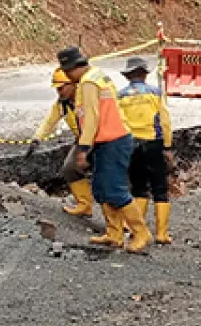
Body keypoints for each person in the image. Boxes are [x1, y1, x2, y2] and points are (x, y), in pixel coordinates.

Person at [57, 46, 152, 253]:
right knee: (101, 187)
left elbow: (91, 118)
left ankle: (140, 232)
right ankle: (114, 233)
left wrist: (83, 148)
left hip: (113, 140)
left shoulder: (89, 83)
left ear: (70, 69)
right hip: (108, 140)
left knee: (115, 189)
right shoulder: (98, 75)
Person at [118, 56, 174, 244]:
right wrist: (167, 145)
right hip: (153, 143)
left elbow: (119, 123)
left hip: (131, 144)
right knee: (160, 188)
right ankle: (161, 233)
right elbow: (164, 120)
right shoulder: (155, 93)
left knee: (139, 187)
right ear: (144, 74)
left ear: (128, 76)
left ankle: (137, 229)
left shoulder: (121, 95)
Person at [32, 69, 91, 217]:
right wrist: (36, 138)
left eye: (61, 88)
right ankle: (85, 205)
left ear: (72, 84)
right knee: (70, 168)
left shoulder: (86, 98)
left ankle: (123, 221)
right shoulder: (61, 105)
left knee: (107, 177)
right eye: (57, 89)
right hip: (81, 140)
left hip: (99, 138)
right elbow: (49, 122)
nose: (59, 92)